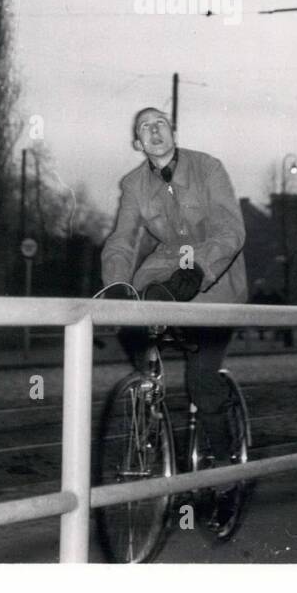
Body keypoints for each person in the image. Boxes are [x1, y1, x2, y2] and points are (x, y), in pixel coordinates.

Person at [100, 106, 247, 474]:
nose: (154, 131)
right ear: (138, 142)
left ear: (173, 132)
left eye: (160, 123)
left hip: (215, 275)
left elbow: (231, 231)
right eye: (145, 127)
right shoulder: (134, 185)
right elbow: (122, 238)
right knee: (136, 324)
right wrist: (116, 284)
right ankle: (146, 420)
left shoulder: (208, 167)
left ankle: (227, 466)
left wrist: (199, 270)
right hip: (165, 273)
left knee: (201, 381)